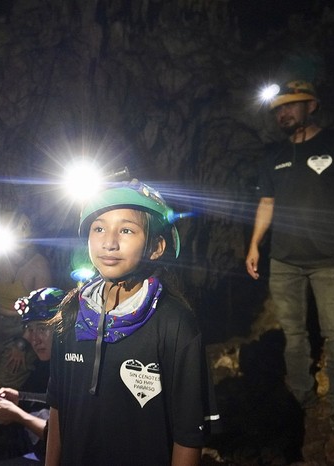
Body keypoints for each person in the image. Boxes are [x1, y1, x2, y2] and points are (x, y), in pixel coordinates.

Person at [45, 180, 220, 466]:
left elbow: (189, 435)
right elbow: (57, 408)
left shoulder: (175, 324)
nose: (109, 242)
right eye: (99, 228)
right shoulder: (71, 314)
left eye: (126, 230)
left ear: (156, 246)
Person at [246, 80, 334, 434]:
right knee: (294, 333)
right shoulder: (273, 156)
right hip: (285, 260)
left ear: (312, 105)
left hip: (330, 259)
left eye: (291, 106)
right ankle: (303, 395)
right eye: (278, 109)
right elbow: (267, 203)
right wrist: (255, 244)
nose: (283, 113)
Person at [0, 287, 65, 464]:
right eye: (30, 329)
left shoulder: (75, 366)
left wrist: (17, 415)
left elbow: (63, 436)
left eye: (42, 328)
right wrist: (21, 398)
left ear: (64, 327)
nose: (35, 338)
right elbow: (57, 402)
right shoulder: (60, 362)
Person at [0, 211, 52, 394]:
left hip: (23, 329)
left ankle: (1, 419)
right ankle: (13, 418)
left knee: (2, 389)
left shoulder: (38, 265)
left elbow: (41, 312)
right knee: (1, 374)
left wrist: (23, 344)